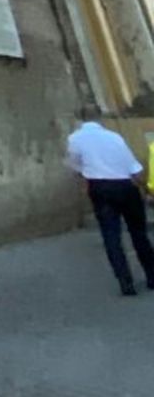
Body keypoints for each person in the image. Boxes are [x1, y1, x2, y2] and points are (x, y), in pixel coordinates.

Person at [65, 105, 154, 297]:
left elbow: (73, 166)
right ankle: (151, 275)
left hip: (100, 188)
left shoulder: (75, 139)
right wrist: (144, 187)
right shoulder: (115, 137)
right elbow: (133, 167)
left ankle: (125, 283)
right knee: (138, 232)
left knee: (111, 236)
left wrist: (86, 173)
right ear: (100, 117)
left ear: (81, 118)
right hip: (125, 186)